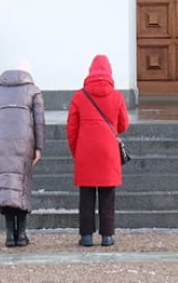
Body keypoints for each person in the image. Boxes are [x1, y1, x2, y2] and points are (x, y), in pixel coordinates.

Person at [66, 54, 129, 247]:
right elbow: (124, 124)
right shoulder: (117, 96)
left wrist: (76, 151)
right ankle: (107, 236)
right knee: (107, 195)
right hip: (108, 151)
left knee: (86, 196)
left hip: (86, 150)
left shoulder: (79, 96)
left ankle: (86, 236)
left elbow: (71, 128)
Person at [0, 64, 46, 248]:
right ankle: (22, 234)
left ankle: (10, 234)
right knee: (21, 186)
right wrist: (39, 147)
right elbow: (39, 121)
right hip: (25, 142)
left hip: (1, 142)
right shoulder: (33, 90)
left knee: (5, 184)